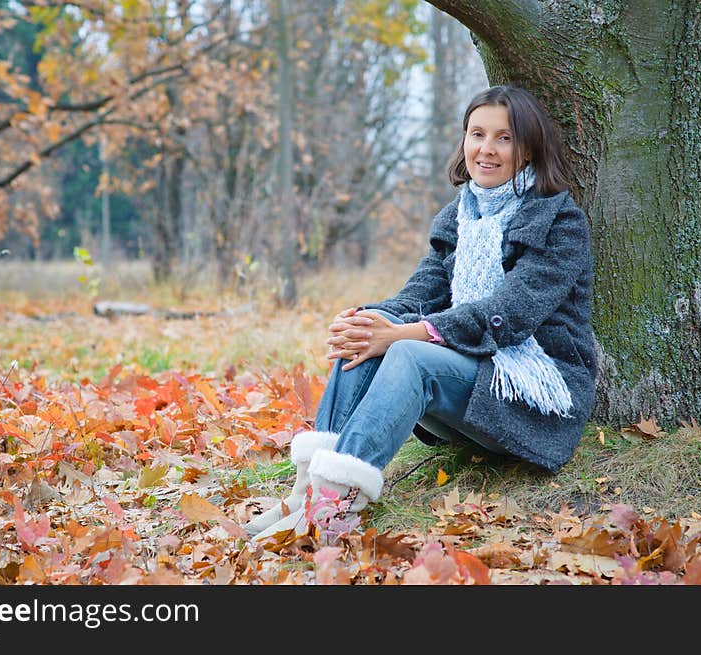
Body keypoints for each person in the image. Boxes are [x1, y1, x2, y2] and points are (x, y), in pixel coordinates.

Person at [245, 85, 597, 542]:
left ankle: (333, 509)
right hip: (472, 383)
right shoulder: (459, 216)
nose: (486, 149)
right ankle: (307, 494)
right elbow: (419, 294)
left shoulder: (560, 222)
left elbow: (509, 315)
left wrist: (402, 334)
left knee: (408, 353)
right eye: (476, 134)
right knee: (368, 334)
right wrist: (365, 320)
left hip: (532, 393)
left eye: (504, 138)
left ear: (528, 149)